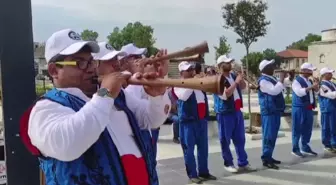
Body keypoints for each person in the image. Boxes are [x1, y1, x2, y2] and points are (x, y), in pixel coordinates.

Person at [19, 29, 170, 185]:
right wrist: (106, 93)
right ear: (54, 70)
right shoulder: (45, 109)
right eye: (80, 63)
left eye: (91, 61)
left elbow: (150, 120)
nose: (91, 68)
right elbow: (69, 145)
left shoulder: (115, 96)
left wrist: (157, 97)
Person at [174, 61, 216, 184]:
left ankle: (204, 172)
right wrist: (194, 83)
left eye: (192, 69)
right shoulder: (177, 85)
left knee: (203, 149)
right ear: (181, 73)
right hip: (188, 122)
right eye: (188, 70)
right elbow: (184, 96)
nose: (192, 72)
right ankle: (192, 174)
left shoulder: (197, 83)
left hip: (201, 120)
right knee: (189, 150)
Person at [213, 55, 253, 173]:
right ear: (220, 66)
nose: (230, 64)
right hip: (225, 113)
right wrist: (236, 82)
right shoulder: (217, 80)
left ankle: (243, 162)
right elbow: (226, 95)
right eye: (227, 63)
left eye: (230, 62)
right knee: (225, 139)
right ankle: (228, 163)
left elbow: (244, 87)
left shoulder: (233, 75)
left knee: (240, 138)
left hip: (236, 111)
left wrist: (242, 79)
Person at [257, 59, 286, 169]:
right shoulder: (263, 81)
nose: (273, 67)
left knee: (272, 135)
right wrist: (282, 79)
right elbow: (274, 91)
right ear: (265, 68)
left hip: (275, 110)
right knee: (268, 135)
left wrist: (288, 78)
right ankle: (266, 158)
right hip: (269, 111)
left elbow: (281, 87)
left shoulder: (271, 78)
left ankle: (269, 155)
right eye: (270, 65)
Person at [291, 62, 319, 157]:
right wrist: (311, 87)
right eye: (310, 70)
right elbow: (299, 92)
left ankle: (305, 146)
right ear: (304, 71)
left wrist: (316, 85)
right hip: (299, 108)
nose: (311, 72)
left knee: (307, 128)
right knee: (297, 128)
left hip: (308, 107)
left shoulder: (310, 81)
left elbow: (316, 91)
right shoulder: (296, 81)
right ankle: (295, 148)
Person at [318, 67, 336, 153]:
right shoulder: (321, 85)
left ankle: (334, 143)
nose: (331, 74)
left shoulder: (332, 83)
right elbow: (330, 95)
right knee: (327, 127)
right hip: (327, 108)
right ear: (324, 75)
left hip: (333, 107)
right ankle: (327, 144)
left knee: (334, 126)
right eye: (329, 73)